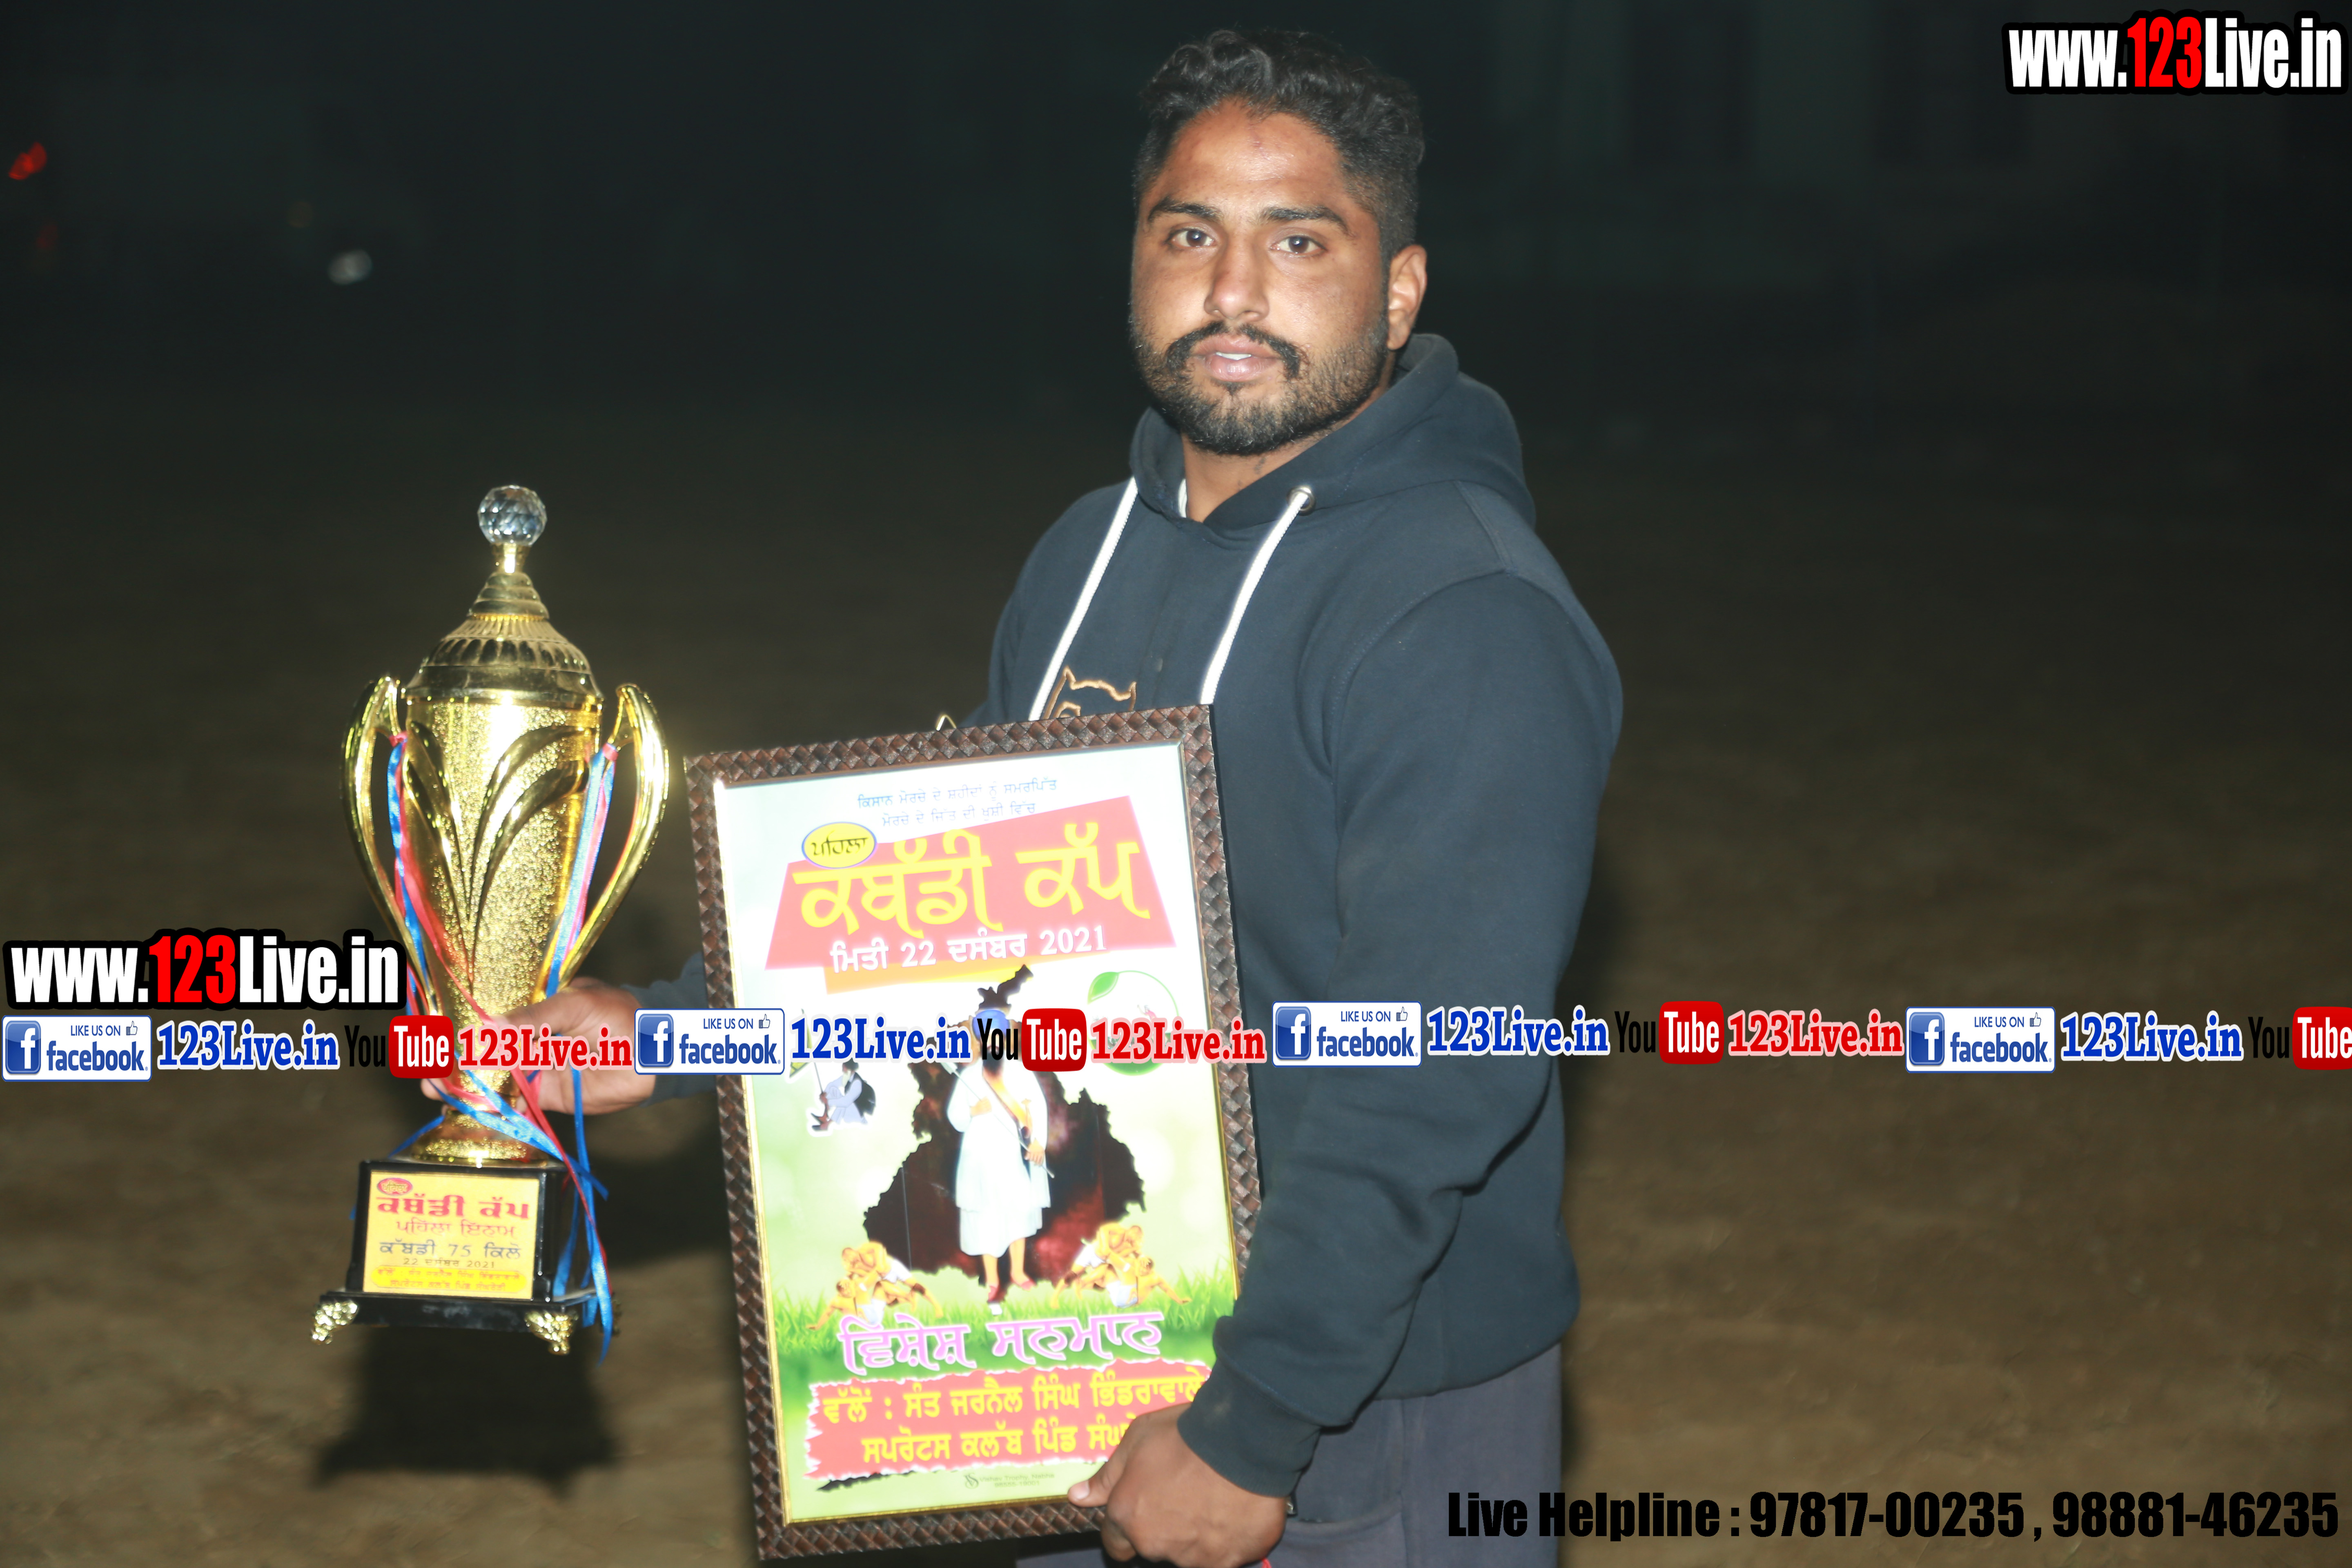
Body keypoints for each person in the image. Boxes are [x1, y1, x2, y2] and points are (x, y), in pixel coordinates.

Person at [430, 28, 1619, 1568]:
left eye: (1298, 242)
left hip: (1358, 1411)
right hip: (1084, 1353)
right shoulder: (1087, 551)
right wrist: (666, 1034)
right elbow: (954, 915)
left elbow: (1435, 1071)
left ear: (1397, 292)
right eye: (1187, 234)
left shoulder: (1459, 610)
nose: (1233, 291)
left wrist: (1253, 1420)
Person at [944, 1052, 1051, 1303]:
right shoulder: (969, 1075)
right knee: (986, 1216)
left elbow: (1037, 1107)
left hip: (1010, 1153)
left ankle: (1018, 1272)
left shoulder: (1021, 1072)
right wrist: (973, 1110)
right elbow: (955, 1116)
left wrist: (1038, 1142)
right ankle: (992, 1281)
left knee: (1018, 1210)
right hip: (978, 1157)